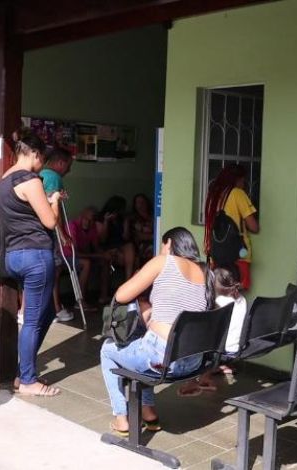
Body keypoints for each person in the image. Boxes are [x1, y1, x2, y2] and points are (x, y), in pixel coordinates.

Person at [100, 227, 213, 435]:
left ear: (168, 244)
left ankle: (121, 419)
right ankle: (149, 413)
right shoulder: (205, 271)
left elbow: (122, 295)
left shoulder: (163, 261)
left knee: (108, 350)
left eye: (162, 245)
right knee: (145, 345)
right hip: (193, 361)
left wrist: (139, 276)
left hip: (160, 360)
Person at [0, 129, 62, 397]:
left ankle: (23, 368)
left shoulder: (4, 180)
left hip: (13, 255)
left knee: (46, 312)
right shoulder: (31, 180)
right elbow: (50, 221)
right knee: (33, 320)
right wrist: (55, 201)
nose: (42, 166)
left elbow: (23, 211)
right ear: (34, 154)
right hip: (35, 256)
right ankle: (27, 380)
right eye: (42, 160)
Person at [177, 265, 247, 396]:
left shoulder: (216, 302)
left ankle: (191, 383)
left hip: (222, 348)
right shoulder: (241, 299)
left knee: (197, 341)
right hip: (237, 345)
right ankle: (205, 378)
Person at [204, 164, 259, 290]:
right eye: (243, 181)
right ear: (237, 180)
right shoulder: (238, 194)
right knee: (235, 293)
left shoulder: (213, 195)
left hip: (215, 253)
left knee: (219, 292)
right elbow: (253, 227)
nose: (244, 184)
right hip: (238, 253)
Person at [40, 146, 75, 323]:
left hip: (35, 232)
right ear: (60, 163)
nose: (69, 170)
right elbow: (54, 210)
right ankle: (55, 309)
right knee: (54, 269)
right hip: (48, 232)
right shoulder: (54, 178)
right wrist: (62, 234)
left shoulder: (41, 174)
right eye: (68, 165)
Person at [63, 206, 113, 305]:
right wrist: (99, 256)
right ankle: (80, 302)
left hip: (83, 255)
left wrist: (104, 254)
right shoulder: (72, 225)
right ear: (81, 216)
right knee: (86, 263)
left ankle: (103, 297)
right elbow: (75, 253)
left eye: (91, 220)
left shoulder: (93, 226)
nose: (88, 222)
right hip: (67, 257)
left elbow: (95, 246)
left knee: (104, 261)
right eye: (86, 219)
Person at [97, 195, 136, 282]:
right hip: (107, 247)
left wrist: (126, 223)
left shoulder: (121, 218)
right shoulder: (100, 218)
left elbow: (126, 238)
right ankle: (128, 284)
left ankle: (128, 281)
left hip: (121, 246)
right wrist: (106, 222)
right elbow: (103, 239)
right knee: (122, 258)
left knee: (129, 246)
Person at [125, 193, 154, 267]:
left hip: (156, 241)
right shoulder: (133, 219)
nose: (141, 204)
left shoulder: (154, 216)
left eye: (143, 202)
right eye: (138, 202)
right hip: (140, 245)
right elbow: (140, 236)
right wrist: (154, 236)